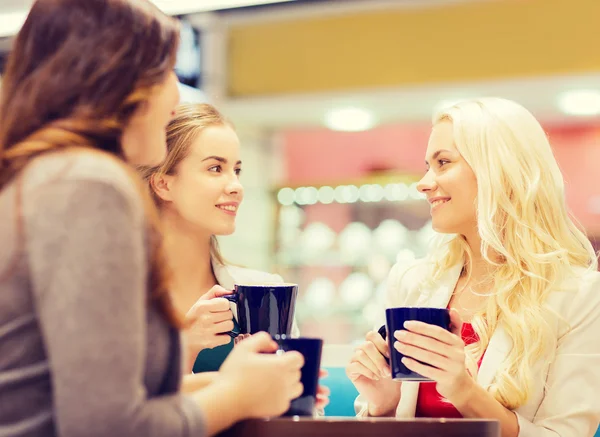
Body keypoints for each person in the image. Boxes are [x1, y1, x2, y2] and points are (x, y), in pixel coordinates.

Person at [0, 1, 304, 437]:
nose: (176, 94)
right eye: (165, 73)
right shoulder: (88, 183)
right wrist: (237, 394)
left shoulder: (40, 179)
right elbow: (107, 427)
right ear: (120, 81)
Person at [346, 97, 600, 437]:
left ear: (498, 170)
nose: (423, 183)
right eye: (427, 166)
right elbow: (391, 423)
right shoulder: (412, 282)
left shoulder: (579, 295)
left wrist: (465, 392)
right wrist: (383, 405)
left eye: (443, 163)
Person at [138, 103, 329, 410]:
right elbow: (120, 415)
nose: (236, 187)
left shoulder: (265, 290)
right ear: (163, 183)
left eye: (237, 170)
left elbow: (296, 417)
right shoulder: (120, 298)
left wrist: (295, 397)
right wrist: (184, 348)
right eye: (216, 168)